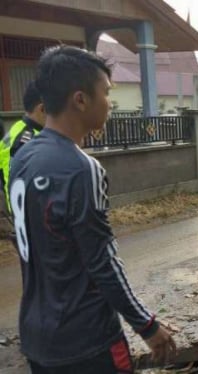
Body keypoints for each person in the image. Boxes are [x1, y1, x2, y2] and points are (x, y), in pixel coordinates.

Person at [8, 45, 175, 373]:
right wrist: (146, 324)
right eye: (106, 93)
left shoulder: (21, 158)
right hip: (86, 340)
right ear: (80, 99)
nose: (110, 104)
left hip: (37, 337)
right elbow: (102, 262)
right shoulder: (81, 169)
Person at [0, 81, 46, 211]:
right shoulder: (27, 139)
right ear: (42, 109)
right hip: (30, 214)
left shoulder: (20, 128)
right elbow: (18, 182)